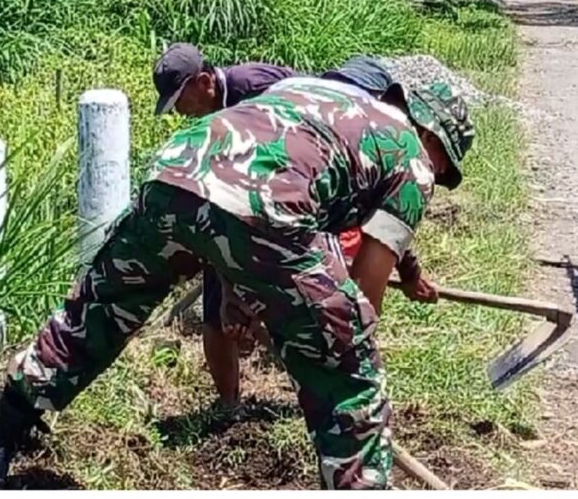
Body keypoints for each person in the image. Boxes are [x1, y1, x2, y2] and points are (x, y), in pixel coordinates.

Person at [0, 76, 474, 490]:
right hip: (266, 213)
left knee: (96, 312)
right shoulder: (412, 158)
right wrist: (326, 339)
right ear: (432, 133)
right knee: (350, 370)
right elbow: (365, 293)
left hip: (175, 174)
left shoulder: (321, 95)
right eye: (445, 166)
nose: (438, 177)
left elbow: (239, 187)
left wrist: (258, 293)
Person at [152, 43, 432, 407]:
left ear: (203, 82)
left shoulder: (255, 89)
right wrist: (232, 289)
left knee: (321, 295)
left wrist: (408, 271)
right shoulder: (214, 117)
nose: (180, 112)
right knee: (219, 306)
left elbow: (380, 214)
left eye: (180, 101)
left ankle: (345, 389)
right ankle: (228, 406)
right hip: (237, 209)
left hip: (301, 203)